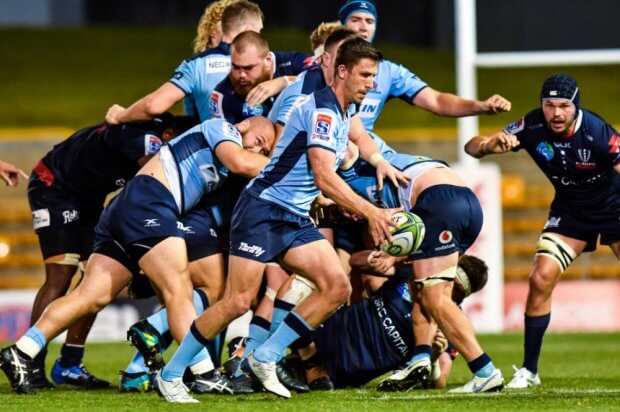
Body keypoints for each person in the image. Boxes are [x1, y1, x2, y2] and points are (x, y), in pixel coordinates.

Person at [154, 37, 408, 403]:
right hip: (263, 210)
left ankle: (265, 357)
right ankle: (171, 374)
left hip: (292, 216)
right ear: (341, 72)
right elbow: (323, 175)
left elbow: (338, 160)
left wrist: (365, 182)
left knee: (337, 287)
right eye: (365, 75)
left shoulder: (342, 113)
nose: (372, 83)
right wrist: (372, 212)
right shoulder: (322, 112)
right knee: (237, 302)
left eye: (374, 76)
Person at [0, 116, 275, 395]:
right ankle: (204, 373)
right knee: (178, 292)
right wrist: (290, 164)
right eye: (259, 142)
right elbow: (242, 162)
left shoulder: (220, 155)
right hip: (152, 203)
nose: (258, 151)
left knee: (90, 296)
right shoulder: (223, 129)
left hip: (124, 207)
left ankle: (22, 351)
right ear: (244, 125)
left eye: (265, 152)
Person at [464, 74, 620, 389]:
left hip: (614, 209)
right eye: (549, 105)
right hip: (571, 213)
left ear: (575, 106)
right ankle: (529, 371)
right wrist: (490, 145)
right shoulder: (531, 127)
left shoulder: (599, 133)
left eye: (564, 106)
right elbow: (472, 148)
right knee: (540, 277)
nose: (556, 113)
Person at [23, 115, 195, 389]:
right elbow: (154, 185)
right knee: (61, 274)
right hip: (54, 186)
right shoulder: (146, 144)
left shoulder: (155, 134)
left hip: (89, 196)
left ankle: (69, 363)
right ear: (168, 135)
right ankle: (28, 363)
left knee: (95, 277)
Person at [338, 147, 505, 393]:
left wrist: (328, 198)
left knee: (435, 297)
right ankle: (420, 358)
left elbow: (337, 161)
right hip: (463, 203)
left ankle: (485, 371)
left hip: (438, 202)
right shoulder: (379, 158)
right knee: (422, 287)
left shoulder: (356, 167)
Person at [290, 254, 488, 389]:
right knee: (298, 287)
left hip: (339, 372)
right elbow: (355, 261)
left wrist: (433, 358)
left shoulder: (451, 323)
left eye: (458, 294)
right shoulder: (410, 274)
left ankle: (307, 366)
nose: (449, 292)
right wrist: (391, 258)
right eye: (450, 283)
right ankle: (299, 360)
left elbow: (439, 382)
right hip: (322, 334)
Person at [105, 1, 265, 124]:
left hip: (216, 157)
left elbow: (153, 105)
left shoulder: (197, 66)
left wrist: (120, 115)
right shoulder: (268, 61)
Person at [209, 31, 311, 123]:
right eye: (235, 67)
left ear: (268, 60)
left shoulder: (293, 61)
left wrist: (284, 82)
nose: (241, 75)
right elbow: (223, 139)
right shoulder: (221, 94)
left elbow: (323, 78)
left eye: (248, 68)